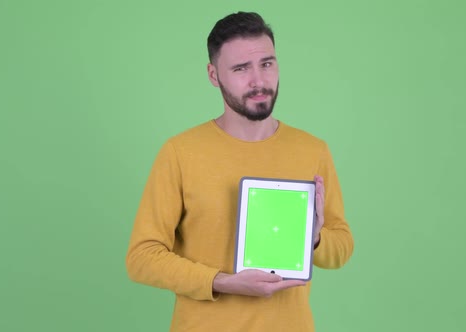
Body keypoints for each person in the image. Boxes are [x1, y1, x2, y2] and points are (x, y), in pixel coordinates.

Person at [126, 11, 354, 331]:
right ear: (213, 74)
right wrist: (223, 282)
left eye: (267, 63)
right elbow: (142, 258)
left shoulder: (312, 150)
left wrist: (314, 239)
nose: (258, 81)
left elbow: (341, 247)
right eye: (240, 68)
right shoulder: (179, 152)